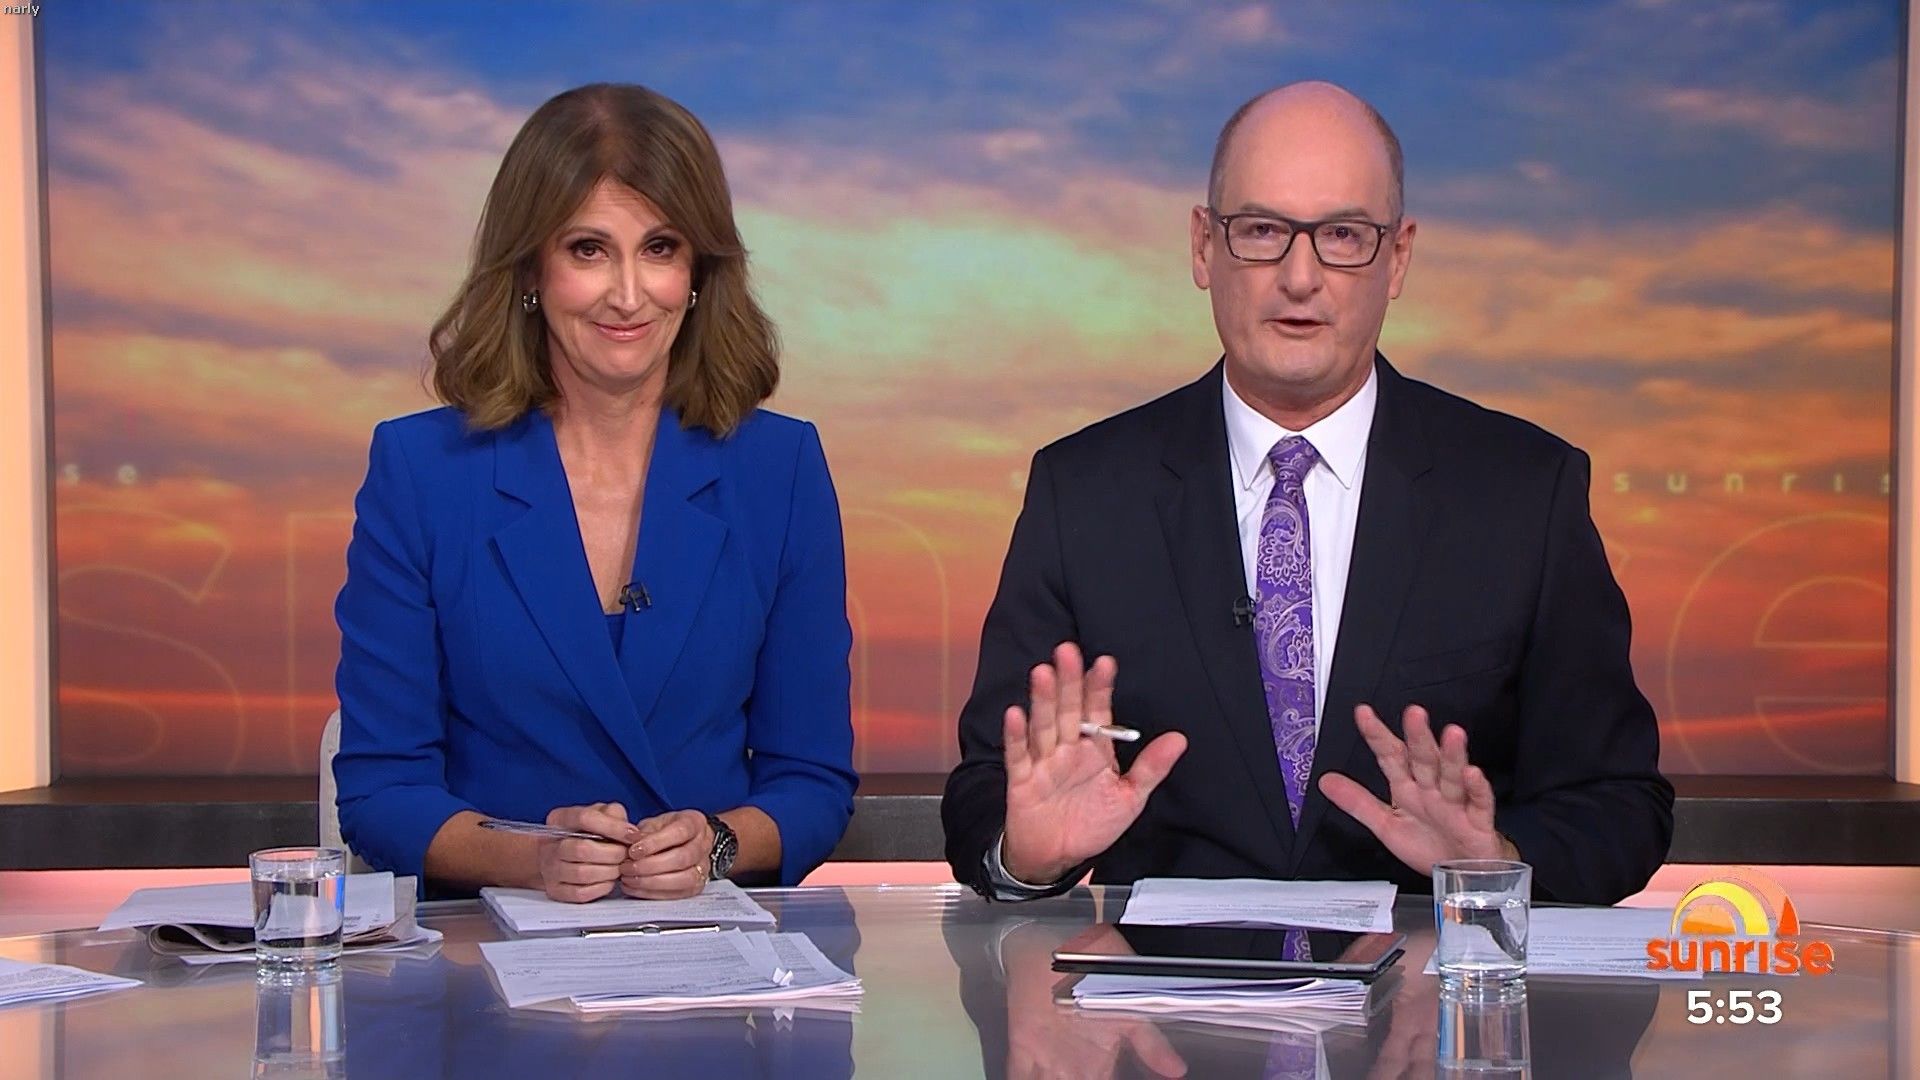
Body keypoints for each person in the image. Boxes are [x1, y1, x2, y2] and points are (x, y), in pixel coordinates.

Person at [942, 81, 1672, 905]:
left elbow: (1620, 806)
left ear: (1398, 258)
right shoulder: (1083, 493)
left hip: (1429, 984)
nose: (1300, 276)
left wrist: (1494, 862)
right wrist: (1026, 855)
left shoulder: (1523, 493)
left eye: (1343, 236)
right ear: (1202, 247)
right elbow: (983, 797)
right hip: (1157, 986)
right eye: (1261, 231)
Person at [333, 83, 856, 901]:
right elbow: (381, 792)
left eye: (660, 248)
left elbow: (812, 782)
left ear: (699, 272)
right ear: (530, 268)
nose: (628, 294)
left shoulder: (778, 468)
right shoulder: (422, 470)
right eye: (588, 250)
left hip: (705, 947)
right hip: (487, 950)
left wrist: (716, 845)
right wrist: (534, 858)